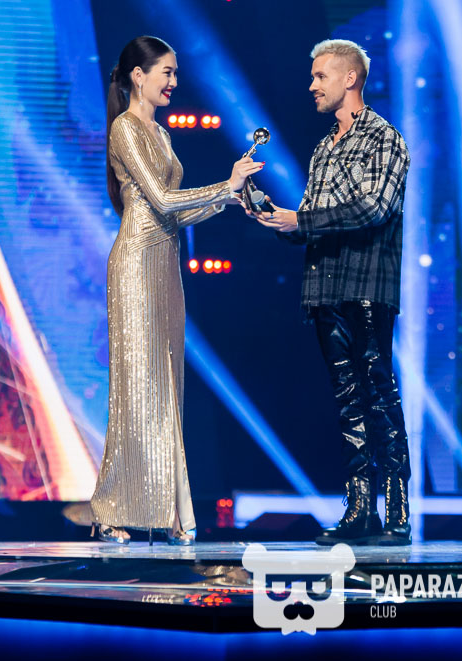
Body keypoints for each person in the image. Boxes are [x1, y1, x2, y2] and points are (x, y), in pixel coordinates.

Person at [90, 36, 263, 545]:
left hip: (165, 264)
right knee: (137, 388)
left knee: (167, 386)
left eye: (175, 72)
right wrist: (225, 185)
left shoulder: (161, 133)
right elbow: (163, 200)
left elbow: (176, 213)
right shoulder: (125, 128)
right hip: (135, 266)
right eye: (166, 71)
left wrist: (229, 200)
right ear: (138, 75)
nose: (174, 81)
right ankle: (113, 508)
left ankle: (168, 509)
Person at [250, 39, 413, 546]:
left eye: (321, 76)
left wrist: (303, 220)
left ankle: (398, 510)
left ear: (350, 78)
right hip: (325, 288)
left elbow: (374, 208)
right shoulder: (324, 147)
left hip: (367, 283)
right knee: (348, 402)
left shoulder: (384, 138)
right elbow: (312, 221)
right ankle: (360, 509)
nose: (312, 86)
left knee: (378, 394)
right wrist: (279, 219)